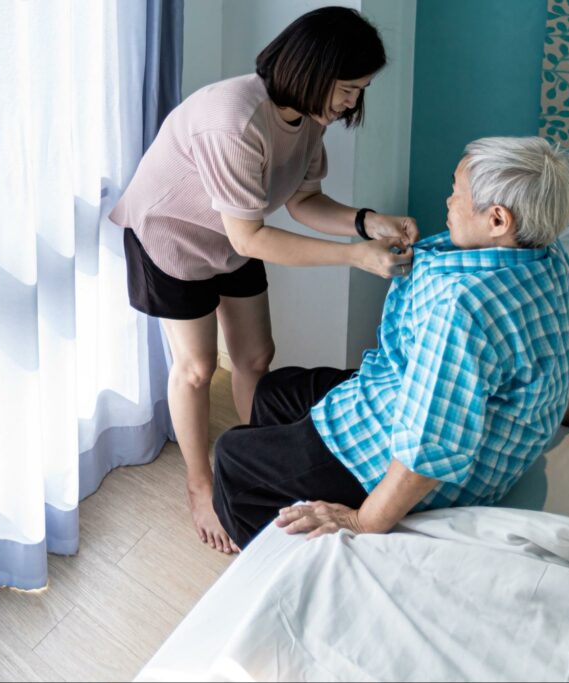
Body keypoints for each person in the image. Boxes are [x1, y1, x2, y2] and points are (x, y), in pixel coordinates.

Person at [109, 7, 418, 554]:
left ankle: (251, 468)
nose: (351, 103)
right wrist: (355, 257)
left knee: (256, 357)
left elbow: (303, 200)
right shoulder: (233, 120)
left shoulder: (306, 118)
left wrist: (367, 221)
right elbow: (253, 238)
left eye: (359, 89)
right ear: (314, 69)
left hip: (232, 233)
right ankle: (200, 486)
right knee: (199, 368)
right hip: (172, 237)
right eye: (349, 88)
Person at [211, 136, 569, 549]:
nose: (448, 201)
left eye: (456, 193)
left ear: (497, 220)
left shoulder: (466, 307)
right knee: (276, 391)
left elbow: (432, 445)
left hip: (434, 464)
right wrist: (566, 403)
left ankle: (280, 554)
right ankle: (291, 488)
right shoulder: (547, 253)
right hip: (407, 389)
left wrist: (362, 520)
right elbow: (559, 340)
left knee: (231, 458)